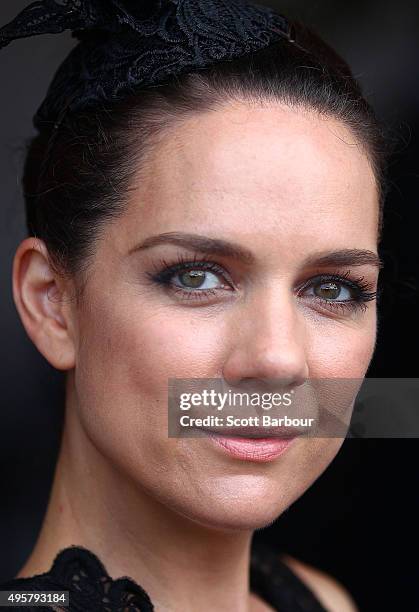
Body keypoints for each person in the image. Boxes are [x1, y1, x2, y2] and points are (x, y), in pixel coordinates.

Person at [0, 0, 391, 610]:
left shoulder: (321, 599)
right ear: (53, 303)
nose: (278, 359)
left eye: (332, 288)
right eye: (198, 277)